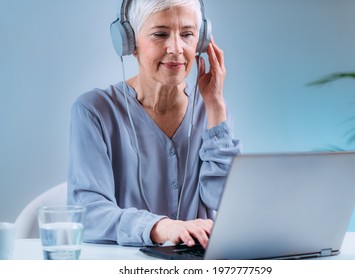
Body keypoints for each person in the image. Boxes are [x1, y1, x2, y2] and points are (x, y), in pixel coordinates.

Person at [67, 0, 241, 249]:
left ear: (201, 41)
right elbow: (88, 215)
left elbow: (226, 205)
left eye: (187, 34)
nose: (176, 48)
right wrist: (162, 227)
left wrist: (215, 107)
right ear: (129, 43)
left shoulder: (211, 111)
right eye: (160, 34)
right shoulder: (94, 111)